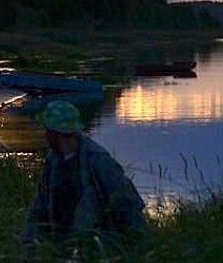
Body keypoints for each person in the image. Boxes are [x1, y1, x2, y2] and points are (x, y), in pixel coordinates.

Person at [23, 100, 146, 247]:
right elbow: (39, 206)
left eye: (47, 131)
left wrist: (141, 244)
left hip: (98, 245)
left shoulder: (98, 160)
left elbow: (127, 202)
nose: (45, 135)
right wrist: (27, 242)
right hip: (62, 243)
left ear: (55, 134)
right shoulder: (53, 159)